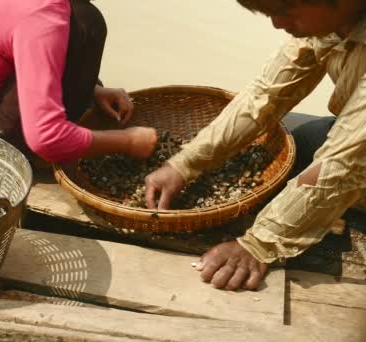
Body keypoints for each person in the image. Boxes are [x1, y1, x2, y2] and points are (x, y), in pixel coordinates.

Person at [144, 0, 366, 290]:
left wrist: (258, 243)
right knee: (305, 141)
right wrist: (185, 163)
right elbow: (265, 96)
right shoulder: (332, 21)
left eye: (285, 11)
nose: (277, 24)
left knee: (323, 171)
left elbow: (342, 161)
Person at [0, 0, 158, 164]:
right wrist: (128, 141)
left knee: (77, 18)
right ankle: (24, 153)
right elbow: (45, 137)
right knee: (87, 23)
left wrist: (92, 89)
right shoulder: (43, 12)